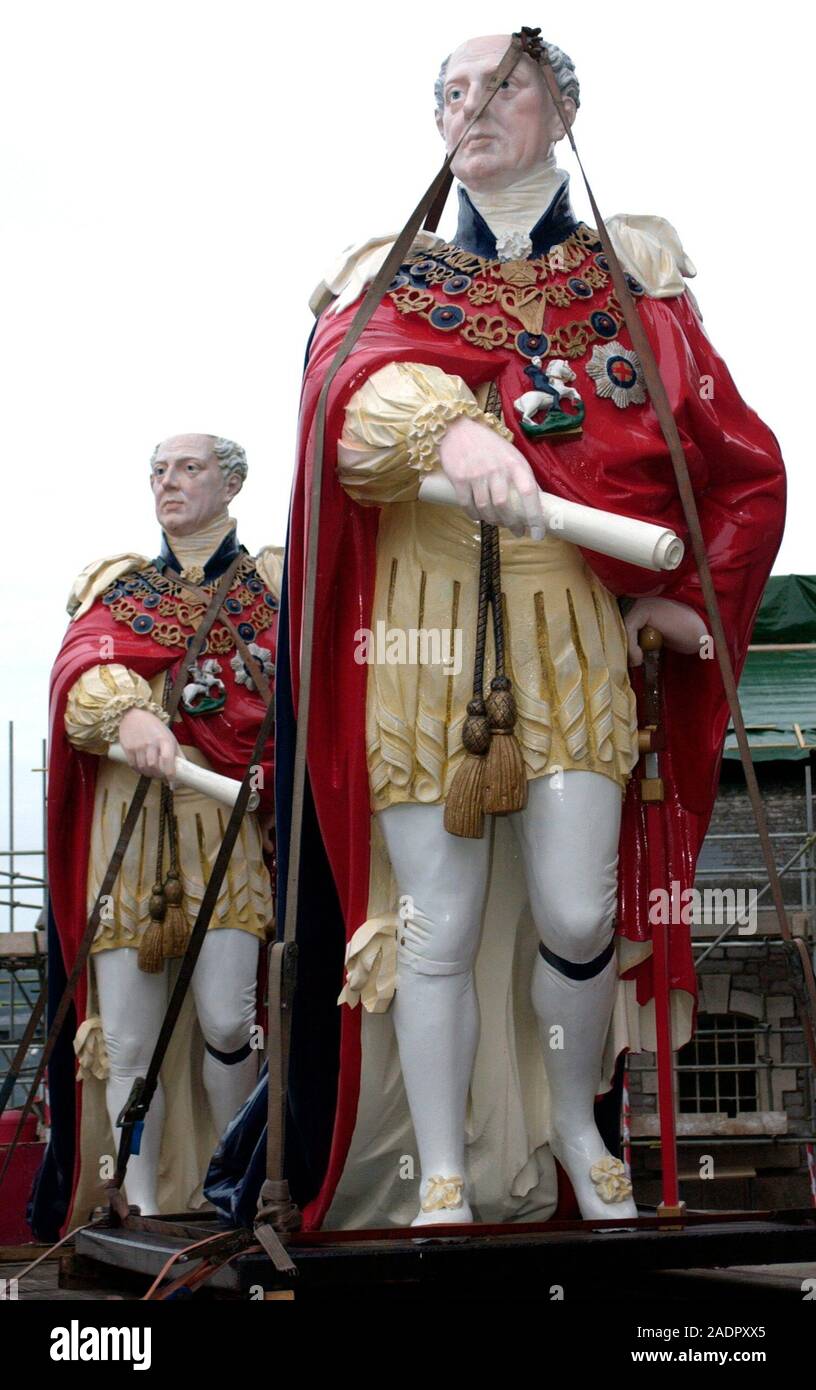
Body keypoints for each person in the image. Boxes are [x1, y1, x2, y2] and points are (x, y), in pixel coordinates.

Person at [207, 33, 786, 1231]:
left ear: (565, 106)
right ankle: (443, 1167)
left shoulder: (634, 277)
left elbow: (735, 463)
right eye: (452, 92)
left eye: (504, 84)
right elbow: (342, 411)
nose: (472, 107)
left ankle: (577, 1124)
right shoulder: (386, 274)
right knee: (435, 917)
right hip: (420, 631)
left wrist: (695, 597)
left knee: (579, 909)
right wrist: (445, 433)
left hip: (574, 615)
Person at [30, 433, 282, 1238]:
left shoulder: (271, 587)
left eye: (189, 469)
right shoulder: (119, 587)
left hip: (226, 821)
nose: (168, 483)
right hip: (127, 822)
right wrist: (128, 709)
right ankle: (133, 1198)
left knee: (225, 1019)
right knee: (129, 1035)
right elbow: (80, 674)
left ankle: (229, 1183)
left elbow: (298, 700)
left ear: (232, 483)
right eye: (159, 471)